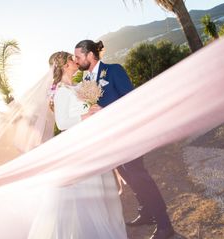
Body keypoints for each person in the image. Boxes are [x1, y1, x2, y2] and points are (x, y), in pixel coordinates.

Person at [74, 40, 175, 239]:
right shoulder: (86, 80)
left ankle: (165, 224)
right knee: (128, 177)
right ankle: (146, 213)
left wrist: (106, 110)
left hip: (126, 134)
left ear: (90, 55)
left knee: (140, 177)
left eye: (78, 56)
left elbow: (131, 100)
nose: (76, 61)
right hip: (108, 139)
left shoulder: (113, 70)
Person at [28, 51, 128, 239]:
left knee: (104, 191)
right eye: (71, 59)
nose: (75, 61)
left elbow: (85, 108)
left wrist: (94, 109)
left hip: (92, 141)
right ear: (65, 65)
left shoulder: (77, 86)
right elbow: (62, 122)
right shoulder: (60, 91)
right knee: (90, 193)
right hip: (80, 147)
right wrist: (84, 116)